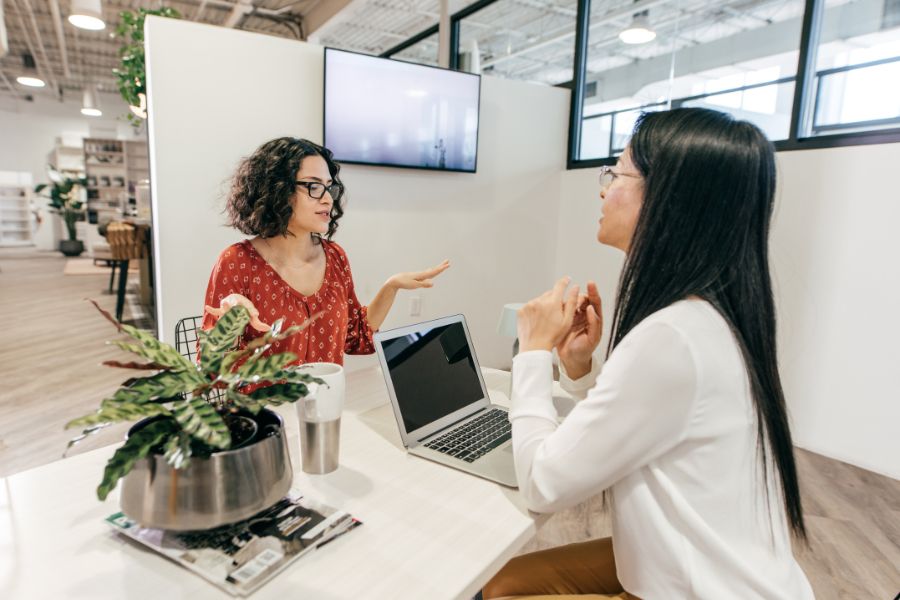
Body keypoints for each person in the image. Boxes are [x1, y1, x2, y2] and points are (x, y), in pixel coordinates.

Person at [484, 108, 815, 599]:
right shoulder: (707, 319)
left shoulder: (674, 336)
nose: (602, 189)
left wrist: (532, 353)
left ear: (669, 199)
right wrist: (577, 369)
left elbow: (543, 484)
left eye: (616, 173)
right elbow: (644, 427)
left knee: (498, 592)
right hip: (714, 573)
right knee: (505, 584)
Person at [202, 137, 449, 364]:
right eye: (313, 186)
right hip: (267, 411)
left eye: (329, 187)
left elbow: (357, 337)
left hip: (325, 409)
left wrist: (391, 287)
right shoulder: (237, 262)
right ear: (277, 189)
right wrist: (228, 326)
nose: (328, 199)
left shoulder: (335, 256)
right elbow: (210, 367)